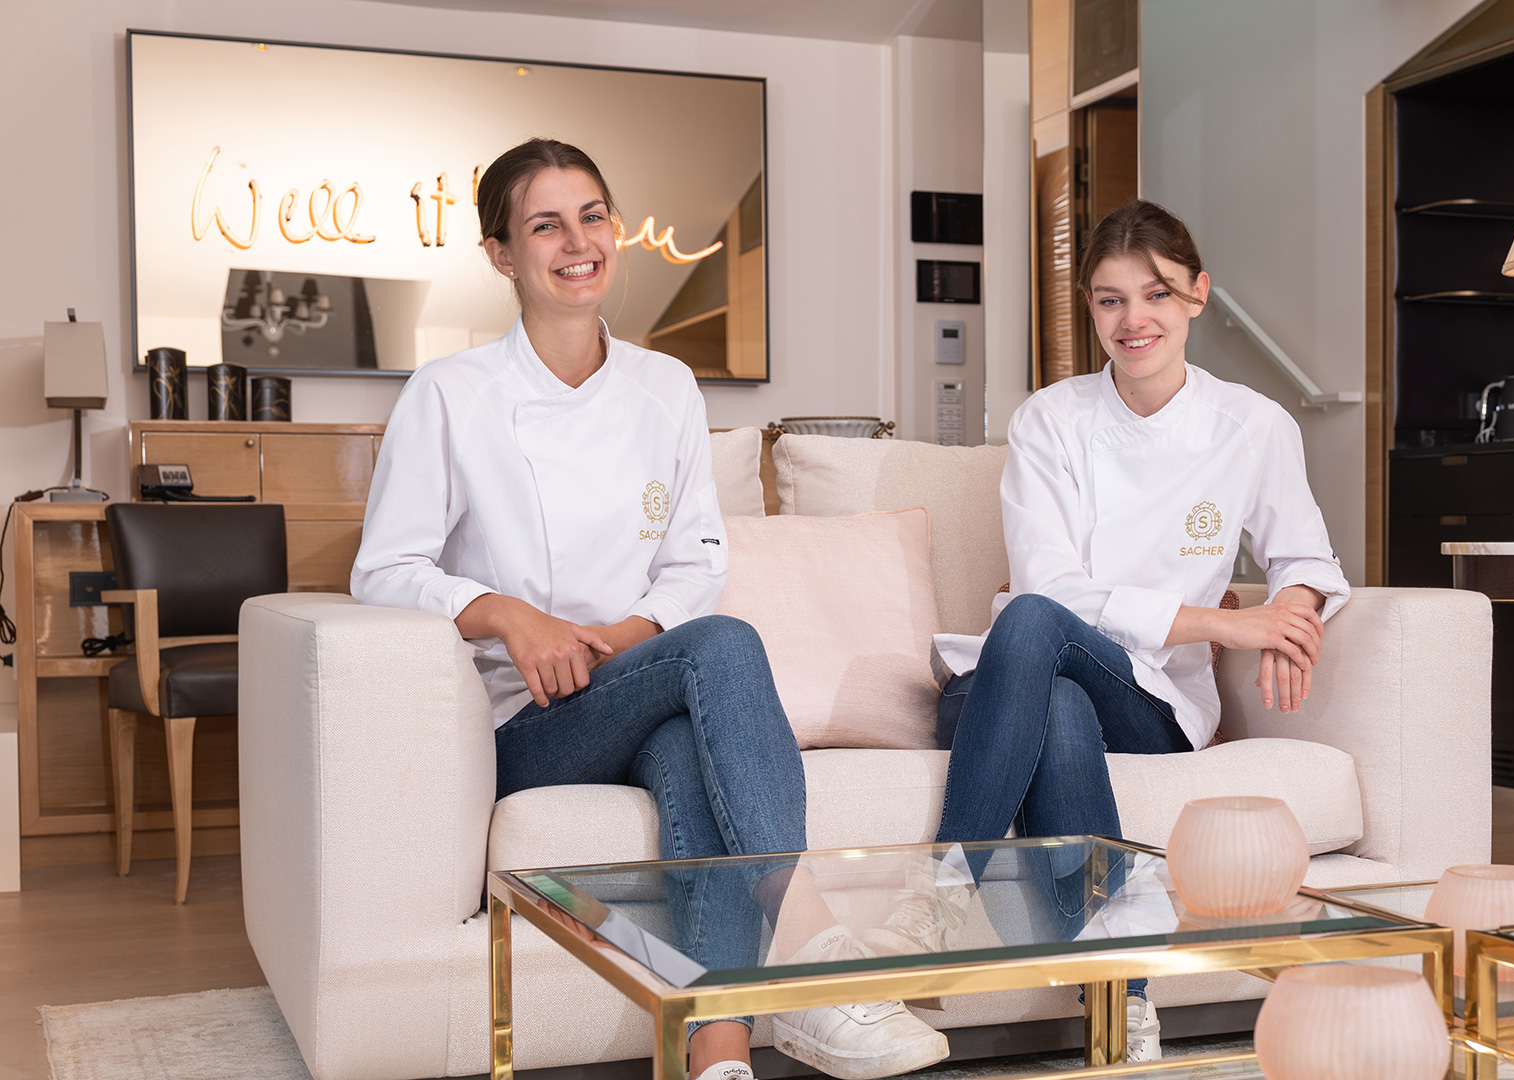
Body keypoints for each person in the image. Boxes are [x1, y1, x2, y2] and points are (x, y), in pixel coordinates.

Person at [351, 138, 948, 1080]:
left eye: (592, 216)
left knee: (684, 746)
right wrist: (508, 613)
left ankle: (716, 1055)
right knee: (722, 646)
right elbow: (383, 570)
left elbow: (697, 558)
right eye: (544, 224)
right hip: (530, 717)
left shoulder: (663, 386)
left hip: (637, 684)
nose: (577, 241)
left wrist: (624, 638)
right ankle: (819, 961)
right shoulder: (451, 395)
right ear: (502, 255)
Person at [923, 199, 1351, 1060]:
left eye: (1155, 294)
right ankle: (1124, 992)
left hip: (1152, 702)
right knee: (1054, 673)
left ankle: (937, 899)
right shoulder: (1052, 418)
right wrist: (1226, 628)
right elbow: (1049, 589)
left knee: (1061, 656)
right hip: (1003, 689)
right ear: (1091, 310)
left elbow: (1308, 561)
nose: (1134, 319)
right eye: (1111, 300)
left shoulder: (1252, 425)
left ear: (1198, 294)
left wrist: (1290, 618)